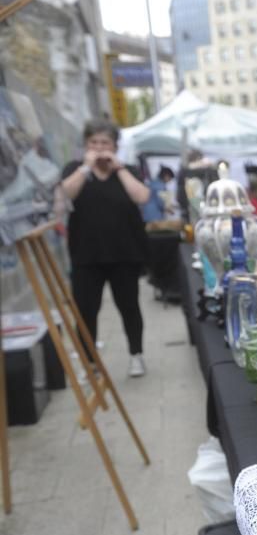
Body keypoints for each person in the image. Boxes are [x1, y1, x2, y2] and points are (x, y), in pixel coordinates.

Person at [60, 119, 151, 377]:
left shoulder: (128, 170)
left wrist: (119, 169)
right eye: (94, 143)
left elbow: (142, 196)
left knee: (129, 306)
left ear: (115, 146)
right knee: (86, 310)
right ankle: (90, 363)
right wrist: (87, 167)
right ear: (86, 145)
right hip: (86, 255)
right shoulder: (74, 169)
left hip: (124, 253)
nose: (100, 148)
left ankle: (136, 355)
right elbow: (67, 193)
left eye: (105, 143)